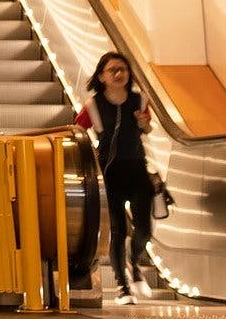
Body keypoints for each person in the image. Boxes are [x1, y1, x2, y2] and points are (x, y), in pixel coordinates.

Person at [76, 52, 155, 305]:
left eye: (123, 69)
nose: (119, 74)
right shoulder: (93, 105)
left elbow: (147, 128)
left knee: (144, 229)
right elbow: (76, 131)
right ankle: (123, 287)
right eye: (113, 70)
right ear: (102, 76)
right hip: (109, 174)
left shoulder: (139, 100)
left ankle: (135, 262)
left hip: (137, 170)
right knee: (118, 230)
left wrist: (144, 124)